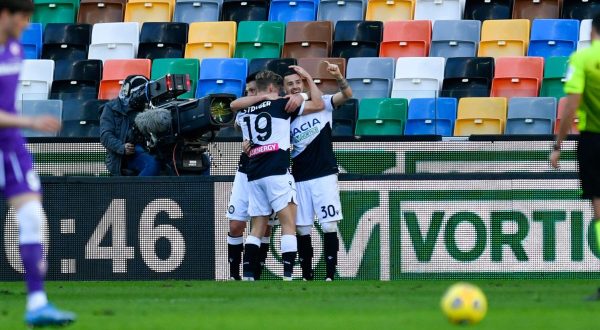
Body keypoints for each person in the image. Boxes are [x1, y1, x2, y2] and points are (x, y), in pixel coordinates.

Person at [0, 0, 76, 326]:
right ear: (5, 15)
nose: (26, 25)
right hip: (13, 131)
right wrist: (29, 121)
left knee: (32, 216)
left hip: (10, 144)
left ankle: (37, 303)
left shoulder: (15, 49)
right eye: (23, 18)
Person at [284, 62, 353, 281]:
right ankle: (307, 276)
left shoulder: (323, 102)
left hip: (324, 174)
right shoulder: (285, 114)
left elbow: (347, 94)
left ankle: (330, 276)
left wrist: (336, 75)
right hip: (300, 176)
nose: (295, 87)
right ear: (284, 89)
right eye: (290, 84)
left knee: (329, 225)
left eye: (298, 82)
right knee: (303, 229)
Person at [234, 71, 305, 281]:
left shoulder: (246, 112)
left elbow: (232, 106)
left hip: (254, 173)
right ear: (273, 88)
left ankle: (247, 275)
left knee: (257, 227)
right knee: (288, 224)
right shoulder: (281, 105)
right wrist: (302, 95)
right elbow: (319, 105)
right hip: (276, 170)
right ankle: (288, 276)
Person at [551, 14, 600, 300]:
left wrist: (559, 143)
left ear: (593, 31)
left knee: (599, 209)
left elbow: (571, 106)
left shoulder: (582, 59)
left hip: (594, 139)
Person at [226, 73, 273, 280]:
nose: (249, 95)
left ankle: (256, 275)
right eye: (247, 92)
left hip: (268, 171)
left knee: (264, 227)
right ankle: (234, 276)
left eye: (253, 90)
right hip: (245, 171)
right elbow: (233, 105)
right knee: (236, 224)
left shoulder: (276, 108)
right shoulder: (245, 109)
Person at [100, 75, 161, 176]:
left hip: (145, 151)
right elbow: (105, 136)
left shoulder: (146, 108)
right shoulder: (111, 108)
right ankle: (135, 191)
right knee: (152, 164)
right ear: (126, 90)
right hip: (121, 156)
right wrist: (122, 147)